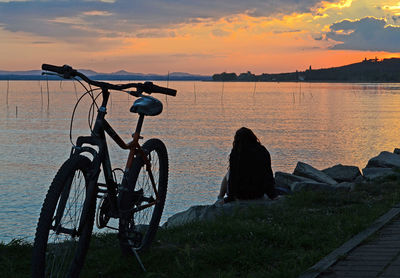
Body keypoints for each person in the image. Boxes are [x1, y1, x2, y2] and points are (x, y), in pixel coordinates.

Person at [217, 127, 277, 204]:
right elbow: (268, 174)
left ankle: (220, 197)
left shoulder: (236, 153)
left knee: (228, 173)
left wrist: (229, 199)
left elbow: (233, 178)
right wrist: (272, 195)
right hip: (258, 193)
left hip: (240, 195)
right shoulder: (262, 151)